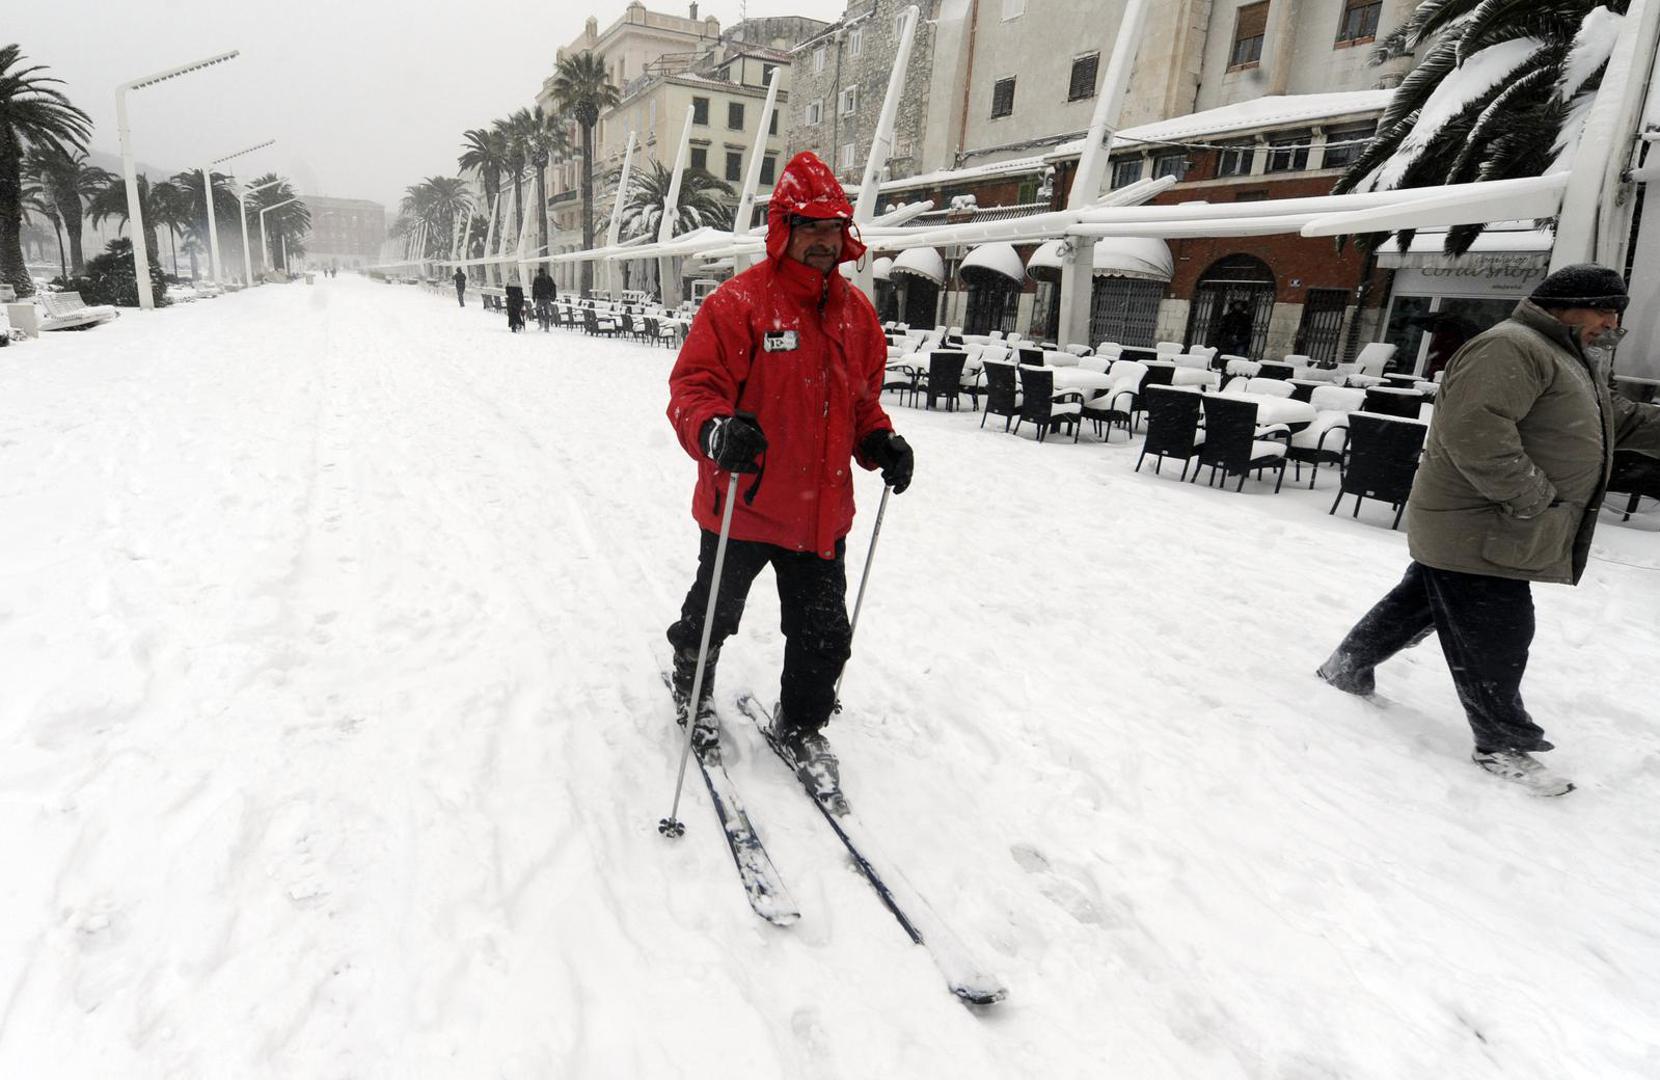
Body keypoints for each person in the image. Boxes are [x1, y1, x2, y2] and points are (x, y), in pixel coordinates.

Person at [1317, 264, 1660, 795]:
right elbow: (1475, 430)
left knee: (1422, 600)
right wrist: (1532, 498)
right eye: (1605, 311)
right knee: (1498, 632)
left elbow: (1622, 419)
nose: (1612, 325)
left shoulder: (1566, 357)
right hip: (1483, 522)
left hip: (1485, 526)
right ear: (1569, 305)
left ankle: (1347, 666)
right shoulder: (1511, 347)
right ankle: (1502, 742)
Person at [664, 150, 914, 791]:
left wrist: (880, 441)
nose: (823, 243)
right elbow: (693, 388)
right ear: (784, 231)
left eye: (832, 230)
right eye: (809, 229)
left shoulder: (857, 316)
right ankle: (691, 695)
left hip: (820, 513)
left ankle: (802, 724)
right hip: (743, 505)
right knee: (711, 617)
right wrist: (717, 429)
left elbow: (861, 403)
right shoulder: (738, 304)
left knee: (825, 634)